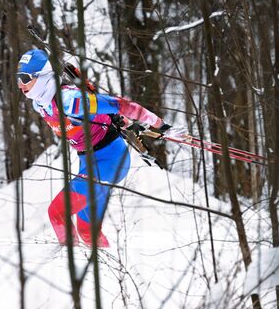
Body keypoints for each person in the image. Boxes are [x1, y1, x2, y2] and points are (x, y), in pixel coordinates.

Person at [17, 49, 170, 247]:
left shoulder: (69, 100)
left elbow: (120, 104)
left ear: (44, 76)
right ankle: (114, 269)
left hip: (110, 162)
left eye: (25, 78)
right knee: (87, 231)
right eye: (18, 79)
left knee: (57, 213)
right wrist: (113, 119)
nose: (21, 85)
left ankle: (69, 266)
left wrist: (158, 124)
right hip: (87, 163)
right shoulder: (40, 104)